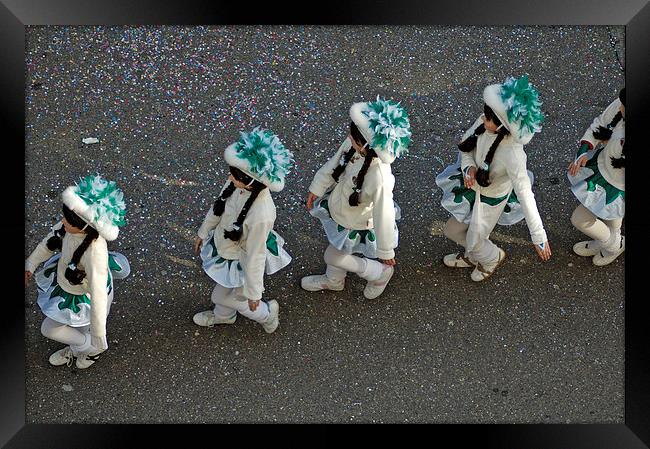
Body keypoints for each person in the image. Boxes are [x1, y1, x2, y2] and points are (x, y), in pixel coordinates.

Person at [435, 75, 551, 281]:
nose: (482, 119)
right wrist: (468, 168)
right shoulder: (483, 123)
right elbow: (465, 148)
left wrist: (539, 235)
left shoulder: (513, 155)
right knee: (452, 230)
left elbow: (525, 194)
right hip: (472, 189)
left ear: (502, 124)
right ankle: (475, 255)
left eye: (488, 118)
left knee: (476, 239)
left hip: (491, 200)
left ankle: (490, 258)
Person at [301, 97, 410, 299]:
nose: (348, 137)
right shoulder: (356, 144)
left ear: (366, 144)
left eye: (353, 136)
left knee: (333, 254)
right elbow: (334, 164)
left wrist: (386, 252)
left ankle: (379, 273)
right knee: (339, 247)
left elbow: (384, 214)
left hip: (359, 222)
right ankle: (334, 281)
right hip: (343, 211)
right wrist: (317, 187)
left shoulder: (380, 178)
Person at [193, 127, 293, 333]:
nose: (229, 178)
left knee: (221, 296)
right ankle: (224, 316)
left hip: (240, 258)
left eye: (234, 175)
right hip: (228, 248)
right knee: (226, 290)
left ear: (250, 180)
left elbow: (255, 255)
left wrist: (254, 292)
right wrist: (203, 232)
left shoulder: (261, 214)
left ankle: (266, 314)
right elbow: (218, 208)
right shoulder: (238, 183)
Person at [25, 174, 129, 368]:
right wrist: (30, 264)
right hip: (69, 284)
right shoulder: (70, 227)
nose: (63, 221)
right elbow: (49, 242)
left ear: (84, 227)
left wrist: (99, 333)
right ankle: (83, 348)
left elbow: (98, 293)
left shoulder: (95, 252)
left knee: (54, 329)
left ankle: (90, 350)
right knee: (77, 331)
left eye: (68, 220)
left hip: (85, 296)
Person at [567, 88, 625, 266]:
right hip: (603, 169)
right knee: (611, 222)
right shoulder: (622, 105)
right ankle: (608, 243)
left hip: (619, 186)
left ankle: (614, 245)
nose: (620, 108)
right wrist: (583, 152)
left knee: (580, 219)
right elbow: (600, 123)